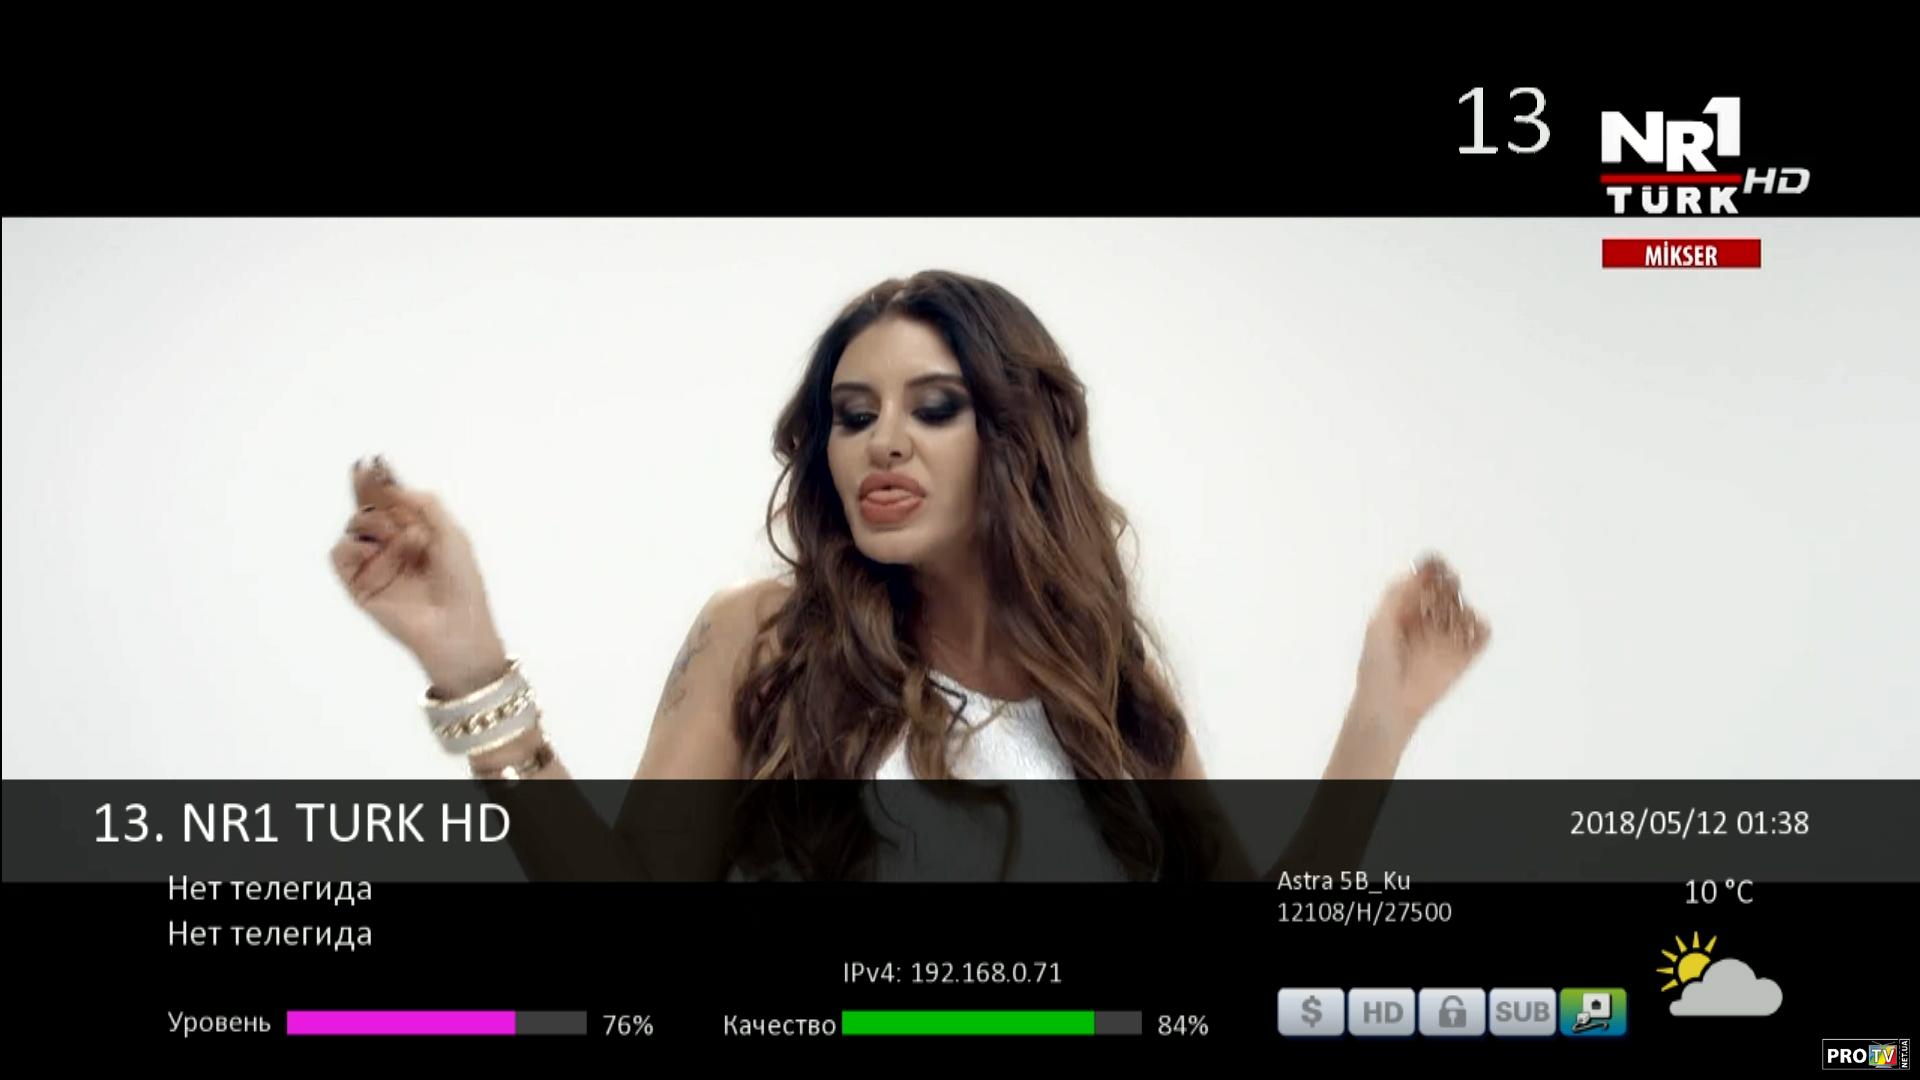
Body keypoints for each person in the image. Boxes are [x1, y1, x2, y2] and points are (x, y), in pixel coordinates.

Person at [329, 270, 1490, 877]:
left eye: (933, 408)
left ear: (1017, 439)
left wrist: (1380, 720)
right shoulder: (765, 640)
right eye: (852, 414)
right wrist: (469, 666)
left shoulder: (1109, 687)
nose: (882, 442)